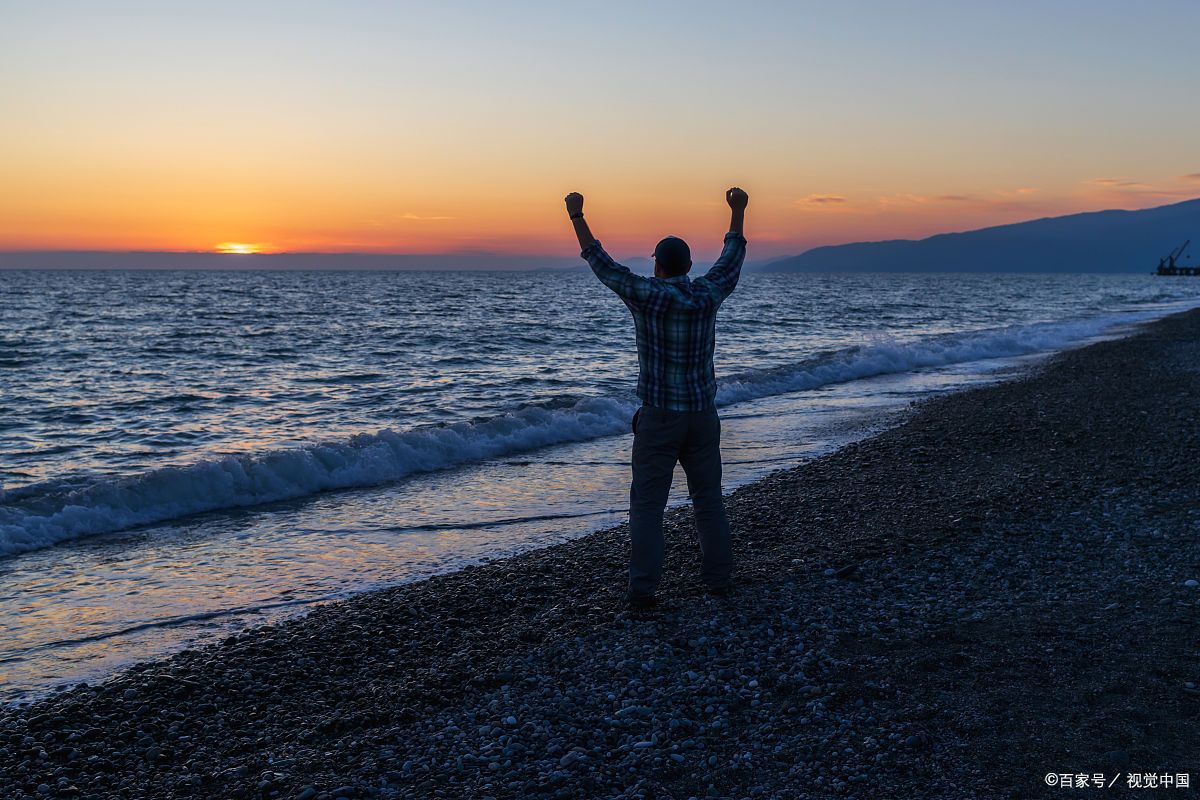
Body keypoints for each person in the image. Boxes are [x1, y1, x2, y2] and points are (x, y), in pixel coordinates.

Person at [564, 187, 749, 610]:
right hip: (703, 415)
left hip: (660, 417)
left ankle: (643, 591)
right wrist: (738, 211)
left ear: (658, 266)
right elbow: (732, 255)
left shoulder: (648, 296)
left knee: (648, 506)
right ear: (686, 266)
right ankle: (718, 583)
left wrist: (576, 216)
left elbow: (601, 262)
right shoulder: (707, 294)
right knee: (708, 500)